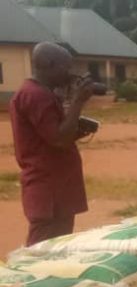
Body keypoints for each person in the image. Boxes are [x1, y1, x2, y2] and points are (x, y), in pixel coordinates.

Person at [10, 42, 95, 246]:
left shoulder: (41, 93)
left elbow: (50, 137)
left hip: (58, 185)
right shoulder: (36, 95)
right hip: (49, 186)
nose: (69, 73)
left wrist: (76, 128)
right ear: (49, 64)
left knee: (59, 246)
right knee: (41, 250)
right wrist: (78, 102)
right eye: (65, 67)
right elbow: (58, 139)